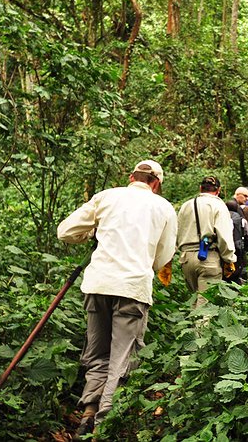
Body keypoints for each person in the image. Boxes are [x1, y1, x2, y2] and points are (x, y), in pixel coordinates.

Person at [57, 159, 177, 437]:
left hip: (98, 284)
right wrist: (146, 264)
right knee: (121, 358)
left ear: (130, 176)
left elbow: (65, 231)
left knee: (97, 354)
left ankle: (88, 411)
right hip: (132, 289)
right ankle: (104, 423)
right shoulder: (163, 207)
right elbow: (163, 255)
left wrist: (90, 233)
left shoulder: (107, 197)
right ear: (156, 183)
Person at [176, 176, 237, 310]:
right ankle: (201, 331)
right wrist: (229, 259)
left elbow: (177, 231)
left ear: (200, 189)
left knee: (195, 302)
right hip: (208, 258)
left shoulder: (186, 205)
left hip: (186, 258)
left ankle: (192, 329)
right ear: (218, 190)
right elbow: (224, 236)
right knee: (205, 307)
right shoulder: (218, 205)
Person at [225, 200, 248, 284]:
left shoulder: (221, 217)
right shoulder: (241, 220)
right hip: (238, 248)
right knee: (239, 269)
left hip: (224, 248)